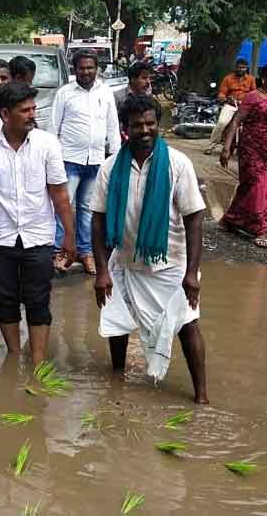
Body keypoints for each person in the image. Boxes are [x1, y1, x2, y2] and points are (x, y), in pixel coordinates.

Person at [91, 94, 208, 404]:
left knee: (187, 324)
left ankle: (202, 398)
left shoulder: (178, 165)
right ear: (125, 128)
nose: (144, 130)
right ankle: (117, 380)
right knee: (116, 322)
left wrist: (192, 273)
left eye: (150, 123)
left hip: (170, 264)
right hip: (125, 260)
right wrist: (102, 271)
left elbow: (195, 219)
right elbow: (98, 221)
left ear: (159, 124)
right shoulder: (110, 168)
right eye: (136, 125)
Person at [0, 82, 76, 365]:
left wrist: (69, 237)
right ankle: (14, 357)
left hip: (39, 236)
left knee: (38, 299)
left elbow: (60, 194)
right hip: (1, 238)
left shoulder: (47, 144)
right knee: (4, 298)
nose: (32, 114)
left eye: (33, 108)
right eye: (25, 110)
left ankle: (38, 360)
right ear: (5, 114)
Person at [51, 51, 121, 275]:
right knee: (63, 206)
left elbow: (112, 126)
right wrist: (52, 158)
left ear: (97, 68)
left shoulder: (106, 93)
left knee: (88, 208)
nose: (86, 72)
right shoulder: (65, 93)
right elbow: (54, 126)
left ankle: (85, 251)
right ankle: (58, 252)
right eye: (81, 68)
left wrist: (116, 157)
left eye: (90, 67)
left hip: (96, 160)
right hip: (69, 159)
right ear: (75, 69)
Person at [219, 65, 267, 247]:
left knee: (248, 187)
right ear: (263, 77)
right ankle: (261, 229)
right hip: (251, 150)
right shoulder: (253, 97)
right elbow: (236, 121)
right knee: (258, 185)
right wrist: (226, 147)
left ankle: (229, 220)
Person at [209, 58, 257, 151]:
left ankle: (249, 148)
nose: (241, 69)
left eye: (243, 68)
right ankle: (211, 145)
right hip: (230, 104)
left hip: (245, 106)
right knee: (221, 122)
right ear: (235, 68)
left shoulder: (251, 79)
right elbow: (221, 93)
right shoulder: (228, 78)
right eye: (239, 67)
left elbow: (254, 93)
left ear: (246, 68)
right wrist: (226, 98)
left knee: (253, 125)